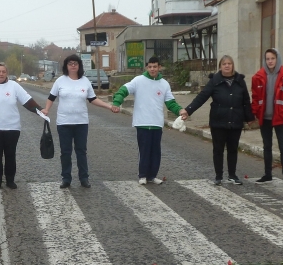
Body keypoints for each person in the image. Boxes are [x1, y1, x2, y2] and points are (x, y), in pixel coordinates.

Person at [41, 54, 118, 189]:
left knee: (81, 151)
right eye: (70, 63)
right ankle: (66, 178)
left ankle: (84, 178)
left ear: (79, 66)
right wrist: (46, 109)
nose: (73, 65)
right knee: (65, 151)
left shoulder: (85, 81)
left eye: (75, 63)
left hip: (81, 122)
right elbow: (51, 97)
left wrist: (109, 106)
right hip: (64, 123)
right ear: (66, 66)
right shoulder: (60, 81)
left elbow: (92, 99)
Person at [180, 55, 254, 186]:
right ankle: (218, 176)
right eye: (224, 63)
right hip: (218, 121)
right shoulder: (215, 80)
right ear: (220, 66)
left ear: (232, 66)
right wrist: (188, 110)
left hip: (235, 120)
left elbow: (246, 101)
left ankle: (232, 175)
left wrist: (249, 118)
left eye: (229, 63)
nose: (227, 66)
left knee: (232, 149)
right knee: (218, 149)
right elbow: (202, 97)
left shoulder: (239, 81)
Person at [111, 56, 183, 185]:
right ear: (146, 67)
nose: (152, 69)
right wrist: (117, 102)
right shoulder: (139, 81)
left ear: (159, 67)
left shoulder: (164, 84)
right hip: (142, 122)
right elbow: (124, 90)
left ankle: (152, 176)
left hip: (157, 123)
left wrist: (180, 111)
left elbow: (170, 102)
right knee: (144, 150)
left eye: (155, 66)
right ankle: (143, 175)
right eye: (150, 67)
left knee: (156, 151)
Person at [251, 48, 283, 189]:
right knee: (267, 147)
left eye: (272, 58)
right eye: (267, 59)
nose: (270, 61)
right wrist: (254, 114)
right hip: (264, 118)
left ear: (277, 59)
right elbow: (255, 97)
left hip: (281, 118)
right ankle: (267, 175)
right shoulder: (258, 77)